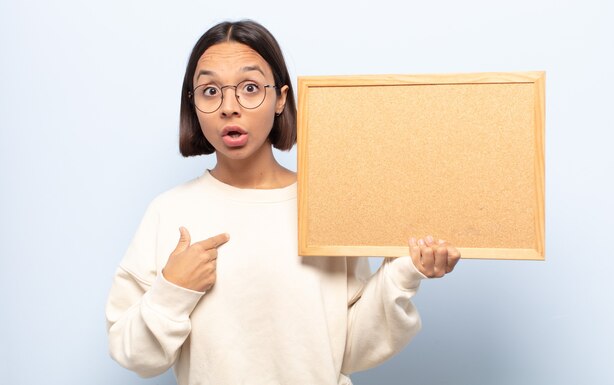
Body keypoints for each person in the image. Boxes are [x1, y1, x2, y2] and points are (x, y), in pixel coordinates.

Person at [105, 20, 460, 385]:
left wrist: (402, 273)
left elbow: (350, 346)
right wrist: (174, 289)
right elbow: (135, 355)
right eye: (210, 91)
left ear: (280, 99)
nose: (230, 106)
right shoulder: (170, 211)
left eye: (250, 87)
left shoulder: (327, 205)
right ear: (192, 104)